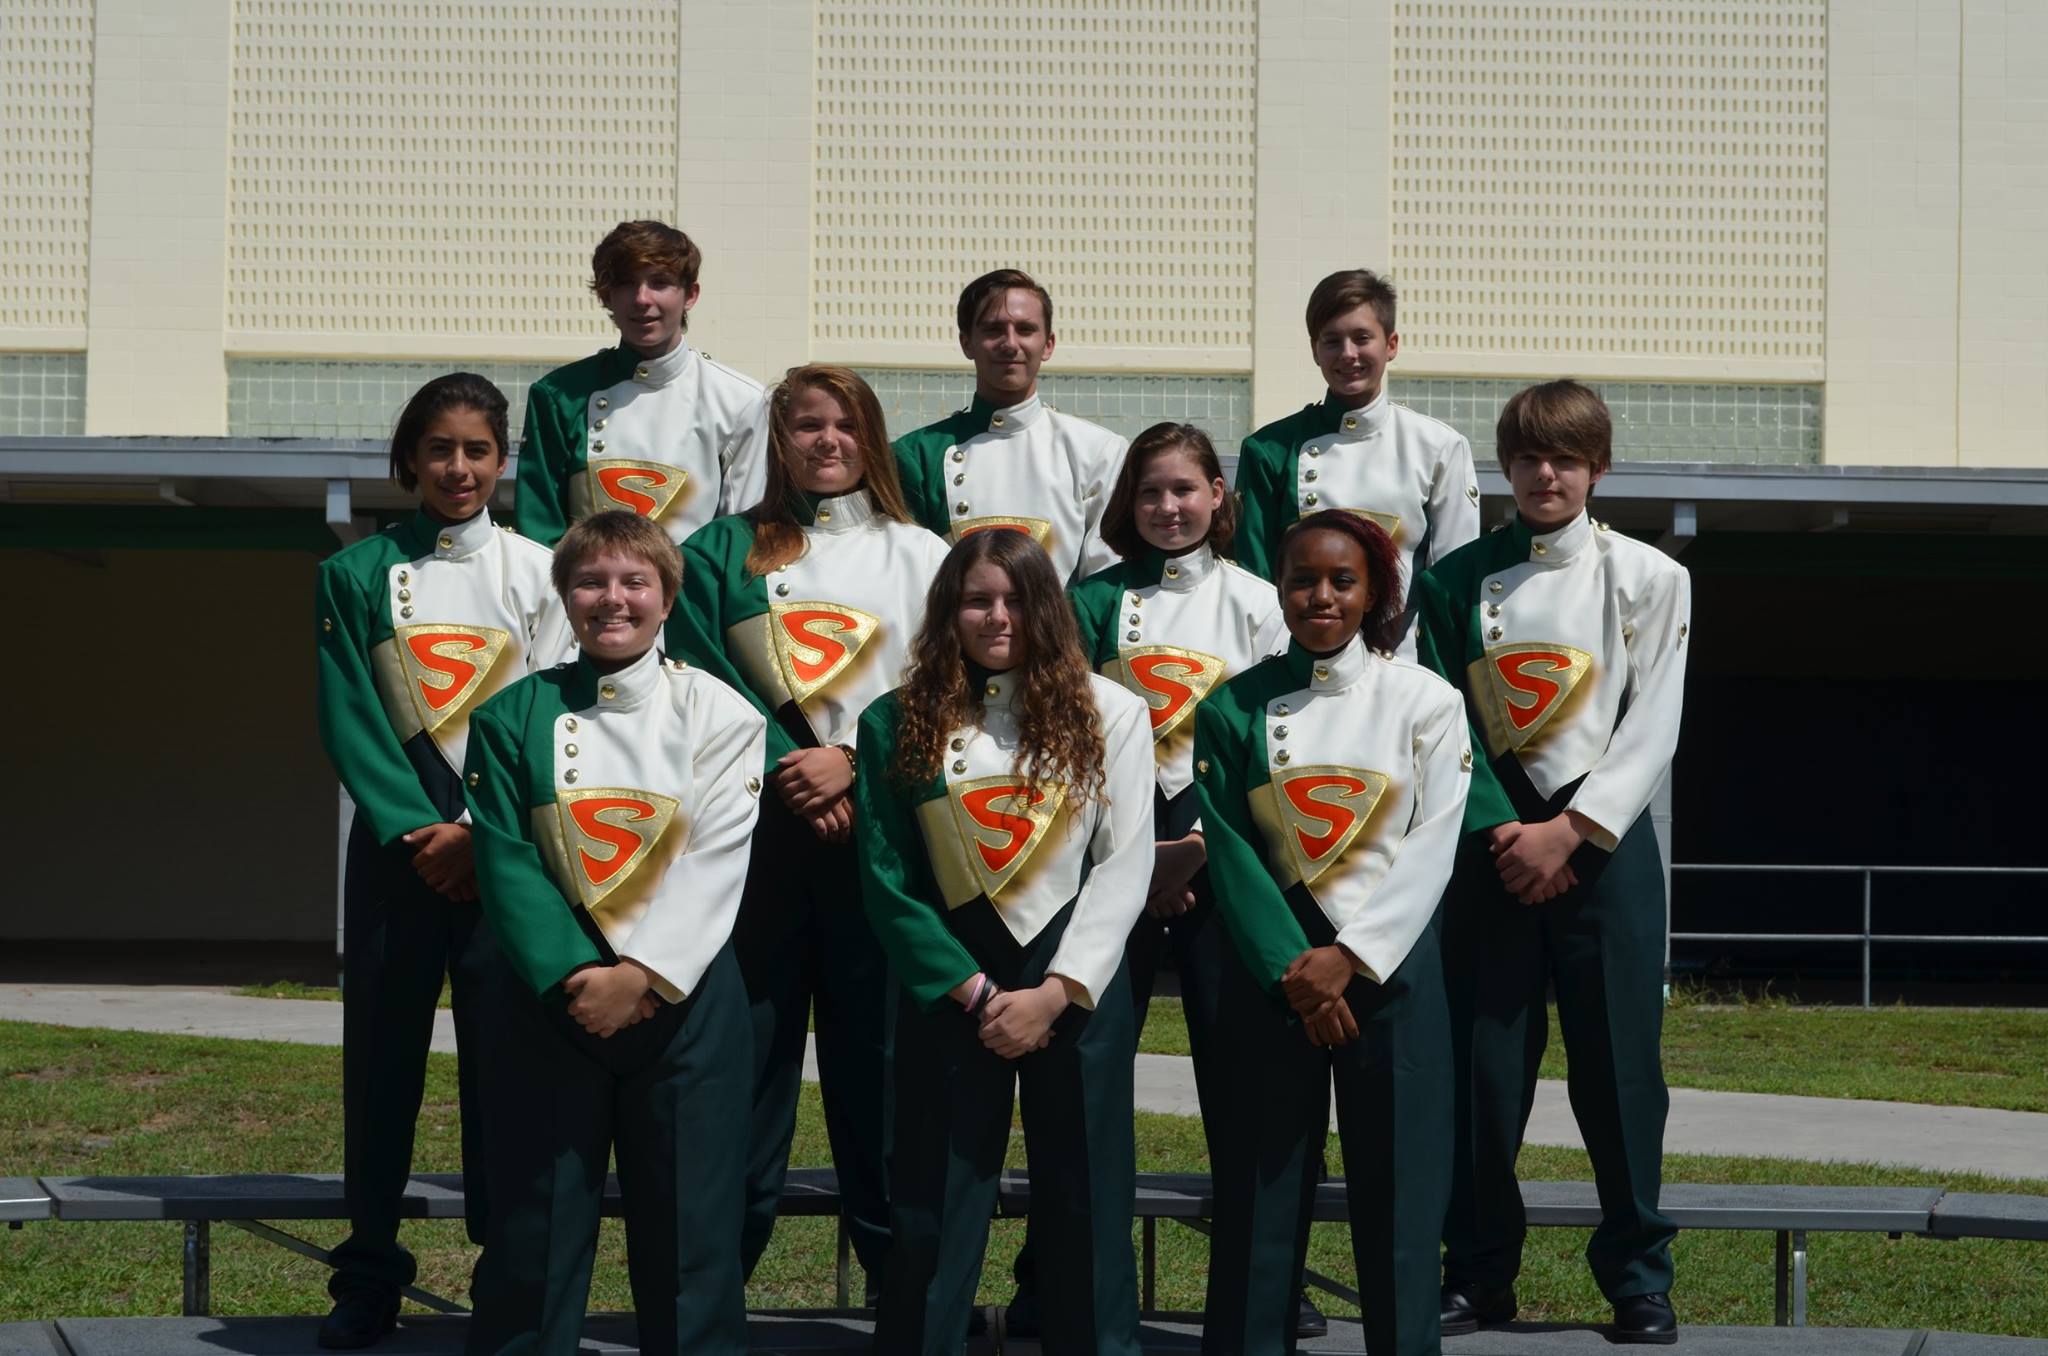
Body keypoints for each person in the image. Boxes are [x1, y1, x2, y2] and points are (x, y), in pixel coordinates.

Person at [662, 364, 949, 1295]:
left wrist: (854, 765)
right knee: (743, 1072)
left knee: (885, 1078)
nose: (827, 441)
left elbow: (946, 689)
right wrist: (800, 772)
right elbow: (695, 683)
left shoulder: (923, 555)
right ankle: (712, 1299)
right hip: (757, 846)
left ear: (872, 439)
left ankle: (902, 1297)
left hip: (881, 848)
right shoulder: (720, 552)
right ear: (777, 442)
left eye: (846, 424)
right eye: (806, 426)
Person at [1417, 380, 1690, 1346]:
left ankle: (1639, 1280)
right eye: (1529, 458)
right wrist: (1507, 830)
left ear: (1596, 469)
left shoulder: (1650, 575)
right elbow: (1440, 719)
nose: (1545, 475)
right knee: (1482, 1076)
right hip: (1491, 849)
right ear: (1506, 466)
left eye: (1565, 459)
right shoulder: (1453, 580)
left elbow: (1654, 723)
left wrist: (1572, 832)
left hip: (1605, 852)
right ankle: (1477, 1271)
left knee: (1621, 1075)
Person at [460, 511, 766, 1356]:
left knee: (692, 1240)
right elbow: (506, 860)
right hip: (548, 1004)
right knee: (535, 1233)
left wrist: (642, 975)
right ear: (564, 596)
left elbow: (716, 856)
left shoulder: (721, 712)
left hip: (687, 1007)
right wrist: (574, 975)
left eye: (635, 581)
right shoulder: (510, 715)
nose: (612, 599)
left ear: (668, 596)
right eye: (590, 581)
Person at [313, 372, 572, 1348]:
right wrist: (418, 830)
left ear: (502, 461)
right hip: (398, 856)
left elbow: (552, 716)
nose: (458, 468)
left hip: (507, 856)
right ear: (409, 459)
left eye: (476, 450)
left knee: (507, 1070)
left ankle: (505, 1277)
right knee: (379, 1066)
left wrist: (479, 833)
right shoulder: (354, 573)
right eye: (439, 449)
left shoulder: (544, 570)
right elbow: (350, 714)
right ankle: (367, 1274)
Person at [854, 530, 1154, 1356]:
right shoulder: (893, 719)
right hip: (952, 990)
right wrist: (975, 992)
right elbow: (887, 877)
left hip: (1077, 986)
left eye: (1016, 599)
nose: (997, 616)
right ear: (948, 611)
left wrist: (1057, 990)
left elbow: (1124, 862)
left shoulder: (1113, 710)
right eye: (976, 600)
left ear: (1047, 608)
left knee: (1089, 1194)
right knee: (935, 1195)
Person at [1192, 510, 1471, 1356]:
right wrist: (1297, 970)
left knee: (1402, 1197)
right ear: (1278, 589)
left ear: (1375, 591)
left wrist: (1350, 957)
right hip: (1272, 980)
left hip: (1392, 976)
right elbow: (1230, 849)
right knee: (1260, 1189)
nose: (1321, 597)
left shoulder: (1427, 700)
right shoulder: (1232, 704)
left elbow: (1435, 841)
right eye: (1302, 580)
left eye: (1342, 581)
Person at [1067, 420, 1283, 1118]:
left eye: (1184, 489)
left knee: (1237, 1051)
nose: (1168, 507)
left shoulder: (1262, 603)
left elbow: (1271, 742)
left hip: (1223, 853)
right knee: (1092, 1047)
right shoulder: (1090, 601)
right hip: (1111, 851)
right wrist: (1138, 856)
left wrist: (1194, 847)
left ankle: (1248, 1196)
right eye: (1150, 492)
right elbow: (1072, 735)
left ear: (1217, 494)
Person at [1233, 269, 1480, 658]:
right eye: (1332, 341)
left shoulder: (1440, 447)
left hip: (1404, 666)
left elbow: (1452, 584)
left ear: (1391, 344)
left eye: (1362, 338)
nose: (1348, 354)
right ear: (1314, 350)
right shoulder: (1269, 450)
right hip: (1297, 667)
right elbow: (1256, 583)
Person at [516, 220, 771, 548]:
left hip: (694, 584)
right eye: (626, 283)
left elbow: (739, 542)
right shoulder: (558, 395)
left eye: (660, 282)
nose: (641, 298)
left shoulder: (743, 402)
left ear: (690, 295)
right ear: (606, 296)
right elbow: (538, 539)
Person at [892, 268, 1127, 584]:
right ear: (966, 343)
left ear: (1048, 344)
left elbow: (1104, 580)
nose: (1010, 343)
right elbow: (907, 578)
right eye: (994, 330)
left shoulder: (1099, 451)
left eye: (1025, 329)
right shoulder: (917, 455)